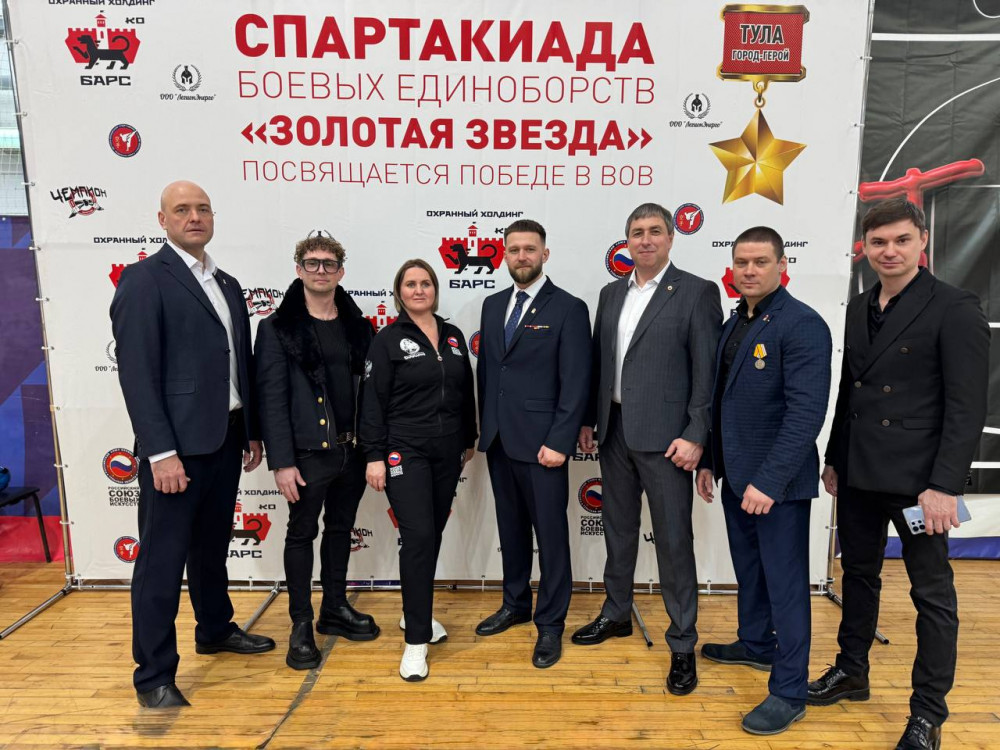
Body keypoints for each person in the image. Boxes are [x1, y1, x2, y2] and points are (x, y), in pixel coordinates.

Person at [808, 198, 988, 750]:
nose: (890, 251)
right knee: (857, 576)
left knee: (931, 595)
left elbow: (966, 409)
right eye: (879, 242)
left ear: (922, 241)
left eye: (901, 240)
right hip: (859, 474)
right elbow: (850, 390)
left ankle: (928, 713)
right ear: (864, 247)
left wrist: (944, 487)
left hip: (919, 485)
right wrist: (834, 458)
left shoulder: (955, 307)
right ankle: (851, 671)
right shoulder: (859, 306)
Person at [110, 181, 271, 709]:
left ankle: (215, 629)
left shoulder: (226, 283)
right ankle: (154, 675)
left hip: (225, 438)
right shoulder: (144, 280)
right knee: (161, 563)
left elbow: (237, 364)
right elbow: (137, 375)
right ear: (162, 220)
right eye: (182, 209)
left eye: (202, 209)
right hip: (175, 450)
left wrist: (250, 429)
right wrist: (160, 452)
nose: (194, 217)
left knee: (211, 549)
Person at [574, 202, 722, 696]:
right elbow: (599, 363)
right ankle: (617, 612)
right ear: (627, 240)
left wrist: (696, 433)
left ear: (671, 238)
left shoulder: (697, 292)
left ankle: (682, 643)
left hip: (669, 441)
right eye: (636, 232)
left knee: (673, 542)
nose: (645, 240)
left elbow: (706, 372)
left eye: (655, 231)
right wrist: (590, 419)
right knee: (618, 530)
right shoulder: (611, 293)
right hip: (614, 431)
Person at [695, 227, 831, 734]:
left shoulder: (803, 324)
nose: (749, 270)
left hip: (778, 487)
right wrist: (710, 461)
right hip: (736, 477)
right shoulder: (736, 322)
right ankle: (755, 643)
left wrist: (770, 481)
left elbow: (805, 414)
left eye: (759, 262)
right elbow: (721, 402)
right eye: (741, 262)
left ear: (781, 265)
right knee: (751, 571)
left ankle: (790, 690)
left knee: (787, 586)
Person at [255, 232, 379, 671]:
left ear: (340, 272)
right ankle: (302, 624)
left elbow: (370, 392)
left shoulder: (359, 326)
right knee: (301, 534)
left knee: (341, 530)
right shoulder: (277, 328)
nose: (321, 270)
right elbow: (270, 399)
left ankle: (335, 607)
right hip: (307, 455)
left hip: (351, 451)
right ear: (299, 269)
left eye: (329, 263)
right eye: (312, 263)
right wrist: (282, 462)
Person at [474, 219, 591, 669]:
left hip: (545, 446)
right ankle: (515, 604)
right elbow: (490, 374)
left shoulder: (569, 308)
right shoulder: (492, 305)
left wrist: (561, 439)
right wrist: (485, 430)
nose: (521, 256)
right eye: (513, 249)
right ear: (504, 255)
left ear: (545, 254)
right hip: (500, 441)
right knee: (511, 531)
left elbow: (576, 381)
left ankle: (551, 624)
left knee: (552, 538)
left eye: (529, 248)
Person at [359, 259, 478, 681]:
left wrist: (469, 437)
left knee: (432, 535)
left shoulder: (453, 335)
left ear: (435, 289)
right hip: (403, 450)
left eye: (426, 283)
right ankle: (415, 641)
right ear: (399, 292)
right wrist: (373, 455)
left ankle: (417, 613)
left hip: (448, 451)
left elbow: (465, 391)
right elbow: (372, 401)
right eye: (410, 284)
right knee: (419, 536)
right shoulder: (387, 339)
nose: (419, 290)